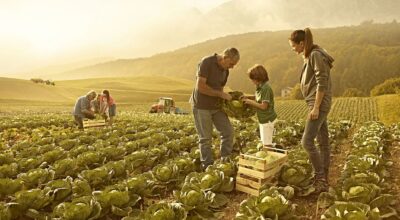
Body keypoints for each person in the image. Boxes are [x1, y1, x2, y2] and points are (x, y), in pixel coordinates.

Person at [288, 28, 334, 193]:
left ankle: (320, 177)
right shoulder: (311, 55)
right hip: (317, 103)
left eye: (293, 45)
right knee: (323, 141)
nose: (293, 49)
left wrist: (315, 107)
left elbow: (322, 81)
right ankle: (324, 176)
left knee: (306, 142)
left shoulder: (315, 55)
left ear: (301, 43)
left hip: (318, 104)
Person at [189, 47, 240, 169]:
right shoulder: (206, 62)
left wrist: (229, 104)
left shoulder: (225, 71)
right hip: (201, 106)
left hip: (216, 107)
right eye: (231, 64)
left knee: (228, 132)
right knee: (205, 138)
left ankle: (225, 161)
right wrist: (220, 94)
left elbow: (221, 89)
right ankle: (207, 166)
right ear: (225, 57)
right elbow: (200, 87)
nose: (232, 67)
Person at [242, 65, 277, 147]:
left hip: (267, 120)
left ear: (257, 78)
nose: (251, 81)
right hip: (263, 119)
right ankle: (271, 153)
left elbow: (263, 106)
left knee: (267, 144)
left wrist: (250, 102)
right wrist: (247, 97)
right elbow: (259, 98)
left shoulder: (265, 88)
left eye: (252, 78)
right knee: (265, 142)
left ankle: (271, 157)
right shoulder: (260, 87)